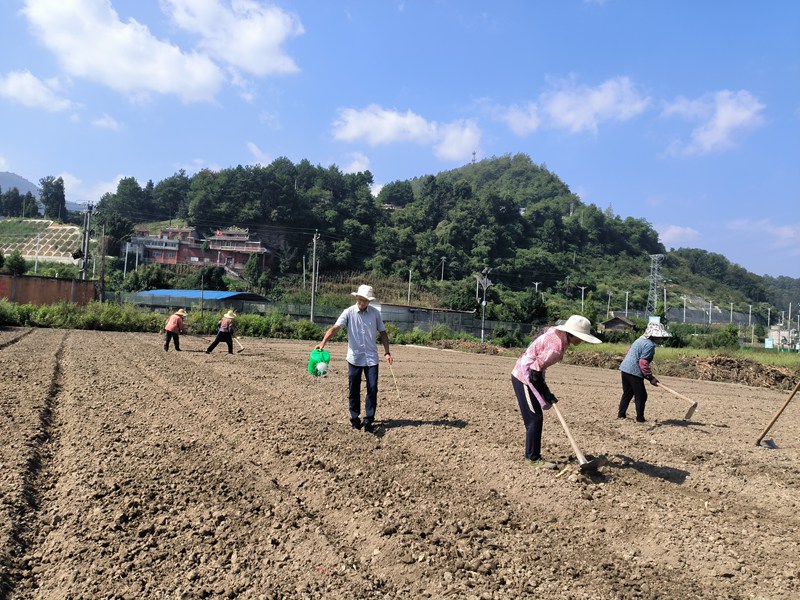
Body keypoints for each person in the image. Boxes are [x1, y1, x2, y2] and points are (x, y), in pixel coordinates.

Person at [511, 315, 601, 469]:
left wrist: (531, 349)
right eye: (580, 337)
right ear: (571, 334)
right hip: (524, 377)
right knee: (534, 419)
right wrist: (546, 394)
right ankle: (532, 459)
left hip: (530, 372)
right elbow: (534, 373)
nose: (582, 341)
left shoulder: (556, 332)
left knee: (536, 417)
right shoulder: (556, 348)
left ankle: (532, 455)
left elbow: (542, 331)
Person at [316, 284, 393, 433]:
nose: (361, 301)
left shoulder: (375, 314)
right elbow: (335, 328)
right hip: (354, 358)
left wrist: (387, 352)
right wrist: (323, 342)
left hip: (371, 358)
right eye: (359, 298)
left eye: (364, 300)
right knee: (353, 389)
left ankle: (369, 420)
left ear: (369, 301)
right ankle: (355, 418)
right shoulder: (349, 312)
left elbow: (383, 333)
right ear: (356, 298)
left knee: (372, 389)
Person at [617, 321, 671, 422]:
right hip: (634, 371)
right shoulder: (650, 345)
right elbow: (643, 363)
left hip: (624, 368)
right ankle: (640, 418)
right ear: (654, 335)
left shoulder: (640, 339)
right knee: (641, 395)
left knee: (627, 393)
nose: (661, 339)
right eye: (660, 337)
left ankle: (621, 414)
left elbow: (629, 351)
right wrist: (650, 377)